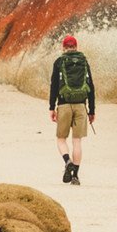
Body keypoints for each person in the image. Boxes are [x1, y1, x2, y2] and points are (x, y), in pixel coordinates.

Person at [46, 34, 94, 184]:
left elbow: (54, 86)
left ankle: (67, 161)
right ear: (76, 47)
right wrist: (92, 110)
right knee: (77, 141)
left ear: (64, 47)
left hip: (64, 104)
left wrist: (51, 107)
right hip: (81, 105)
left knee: (61, 139)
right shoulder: (84, 61)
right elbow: (91, 86)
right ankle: (75, 176)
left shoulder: (59, 62)